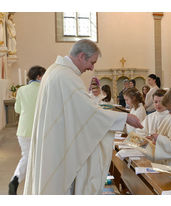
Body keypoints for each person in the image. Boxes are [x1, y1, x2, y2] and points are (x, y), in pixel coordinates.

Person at [23, 39, 143, 195]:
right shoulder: (66, 76)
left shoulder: (55, 71)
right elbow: (88, 113)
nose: (91, 68)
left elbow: (80, 110)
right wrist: (124, 118)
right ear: (81, 56)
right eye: (91, 62)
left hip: (55, 140)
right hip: (58, 145)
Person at [8, 66, 46, 195]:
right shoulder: (44, 89)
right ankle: (25, 183)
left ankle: (17, 181)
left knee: (28, 157)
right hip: (40, 129)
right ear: (39, 76)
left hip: (23, 130)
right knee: (38, 158)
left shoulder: (22, 90)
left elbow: (18, 110)